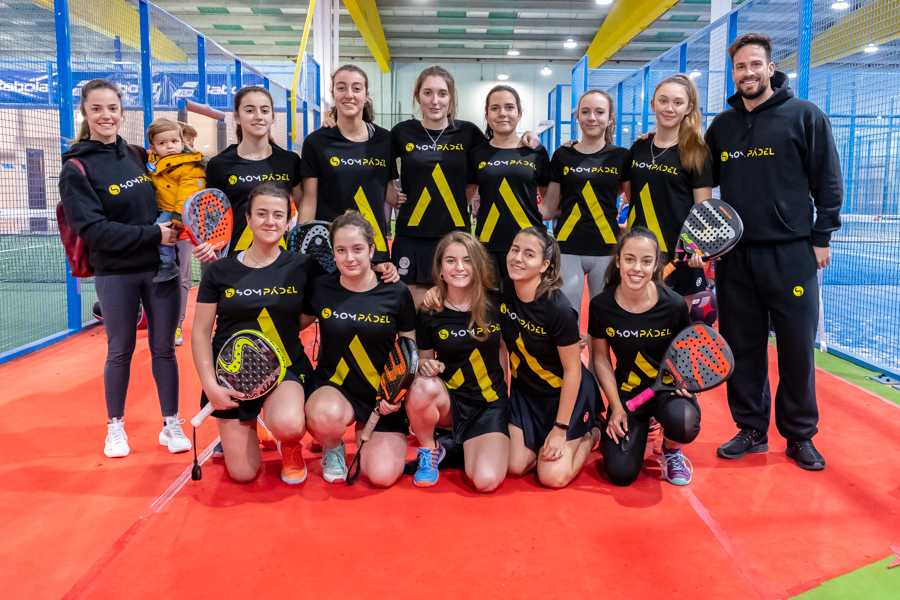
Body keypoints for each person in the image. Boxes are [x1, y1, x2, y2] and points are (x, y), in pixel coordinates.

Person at [704, 33, 842, 470]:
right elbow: (699, 177)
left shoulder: (805, 116)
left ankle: (800, 435)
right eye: (740, 66)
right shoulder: (722, 126)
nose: (748, 73)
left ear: (770, 68)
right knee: (742, 348)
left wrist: (821, 237)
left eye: (755, 65)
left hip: (792, 255)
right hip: (735, 258)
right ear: (734, 73)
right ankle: (751, 429)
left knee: (797, 348)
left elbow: (829, 182)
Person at [58, 79, 185, 458]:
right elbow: (93, 230)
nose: (106, 115)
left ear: (121, 111)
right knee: (121, 350)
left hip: (161, 269)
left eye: (112, 108)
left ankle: (171, 423)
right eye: (97, 108)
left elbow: (173, 186)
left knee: (164, 349)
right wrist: (153, 234)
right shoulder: (76, 168)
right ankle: (115, 428)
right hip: (116, 273)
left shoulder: (135, 154)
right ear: (85, 112)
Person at [191, 184, 319, 484]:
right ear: (248, 219)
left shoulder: (303, 267)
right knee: (244, 474)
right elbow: (199, 332)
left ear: (289, 221)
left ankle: (288, 444)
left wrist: (383, 271)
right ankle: (258, 426)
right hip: (231, 375)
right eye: (261, 214)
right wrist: (211, 385)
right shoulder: (219, 270)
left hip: (284, 367)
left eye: (278, 215)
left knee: (288, 423)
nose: (269, 221)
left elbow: (322, 303)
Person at [390, 66, 541, 305]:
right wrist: (392, 195)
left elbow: (498, 148)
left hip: (455, 234)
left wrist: (527, 136)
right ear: (418, 95)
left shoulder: (468, 132)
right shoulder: (402, 132)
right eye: (427, 93)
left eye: (442, 93)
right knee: (414, 310)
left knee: (454, 308)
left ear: (451, 97)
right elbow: (375, 160)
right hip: (412, 235)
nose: (435, 100)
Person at [303, 212, 416, 487]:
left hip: (382, 396)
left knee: (381, 477)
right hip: (336, 388)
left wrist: (397, 395)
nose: (349, 258)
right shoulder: (320, 288)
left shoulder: (396, 292)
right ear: (333, 252)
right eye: (341, 250)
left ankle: (369, 428)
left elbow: (409, 350)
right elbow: (291, 325)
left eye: (357, 249)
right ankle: (333, 447)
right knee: (323, 416)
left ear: (371, 250)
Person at [588, 227, 700, 486]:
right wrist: (615, 406)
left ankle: (672, 451)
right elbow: (602, 360)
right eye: (629, 259)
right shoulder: (601, 305)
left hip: (667, 388)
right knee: (621, 474)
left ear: (655, 265)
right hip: (629, 394)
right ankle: (640, 423)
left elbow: (687, 350)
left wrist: (684, 380)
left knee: (683, 421)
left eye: (646, 261)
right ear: (618, 262)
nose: (637, 268)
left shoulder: (673, 305)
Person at [406, 231, 509, 491]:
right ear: (440, 269)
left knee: (485, 482)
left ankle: (456, 448)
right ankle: (429, 450)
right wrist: (426, 367)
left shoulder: (496, 304)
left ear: (477, 265)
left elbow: (504, 353)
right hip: (451, 403)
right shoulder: (429, 312)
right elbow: (425, 365)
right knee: (422, 387)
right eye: (450, 260)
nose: (459, 267)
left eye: (467, 260)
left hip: (489, 405)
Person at [503, 227, 597, 488]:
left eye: (528, 254)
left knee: (551, 477)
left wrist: (560, 428)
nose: (518, 258)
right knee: (513, 467)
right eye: (514, 250)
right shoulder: (504, 291)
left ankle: (591, 432)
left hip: (564, 394)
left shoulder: (558, 309)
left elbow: (572, 370)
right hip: (526, 395)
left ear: (544, 265)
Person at [298, 64, 398, 279]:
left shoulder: (385, 139)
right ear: (333, 93)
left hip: (374, 249)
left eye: (356, 88)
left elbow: (389, 192)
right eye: (341, 88)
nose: (349, 95)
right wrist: (298, 250)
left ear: (366, 95)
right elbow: (309, 200)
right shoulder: (317, 141)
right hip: (327, 251)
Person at [540, 89, 631, 316]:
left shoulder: (621, 156)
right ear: (577, 117)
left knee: (605, 320)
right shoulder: (562, 155)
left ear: (609, 118)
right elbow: (548, 210)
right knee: (567, 318)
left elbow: (633, 202)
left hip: (608, 250)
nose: (592, 117)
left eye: (600, 112)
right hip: (567, 248)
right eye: (586, 111)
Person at [627, 74, 713, 307]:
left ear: (688, 108)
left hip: (679, 255)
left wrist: (698, 250)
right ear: (653, 104)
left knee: (676, 331)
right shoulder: (639, 147)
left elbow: (704, 210)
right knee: (637, 328)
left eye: (677, 102)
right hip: (639, 253)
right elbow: (629, 195)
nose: (669, 108)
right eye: (663, 101)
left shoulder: (697, 151)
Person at [202, 86, 302, 258]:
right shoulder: (219, 164)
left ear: (272, 117)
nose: (258, 117)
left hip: (281, 259)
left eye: (264, 110)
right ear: (237, 117)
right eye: (250, 110)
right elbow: (212, 218)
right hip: (235, 260)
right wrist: (209, 247)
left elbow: (303, 206)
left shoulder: (290, 161)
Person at [469, 86, 551, 281]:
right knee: (491, 308)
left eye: (509, 107)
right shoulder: (476, 153)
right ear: (487, 115)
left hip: (530, 245)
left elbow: (549, 199)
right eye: (495, 108)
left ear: (519, 113)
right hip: (489, 245)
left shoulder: (535, 151)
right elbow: (466, 195)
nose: (502, 113)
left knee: (528, 307)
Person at [145, 118, 205, 292]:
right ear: (154, 146)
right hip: (161, 208)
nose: (170, 146)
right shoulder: (154, 162)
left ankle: (168, 263)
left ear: (182, 142)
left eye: (174, 142)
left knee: (159, 231)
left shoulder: (188, 164)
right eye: (163, 143)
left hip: (175, 212)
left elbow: (188, 190)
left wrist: (178, 215)